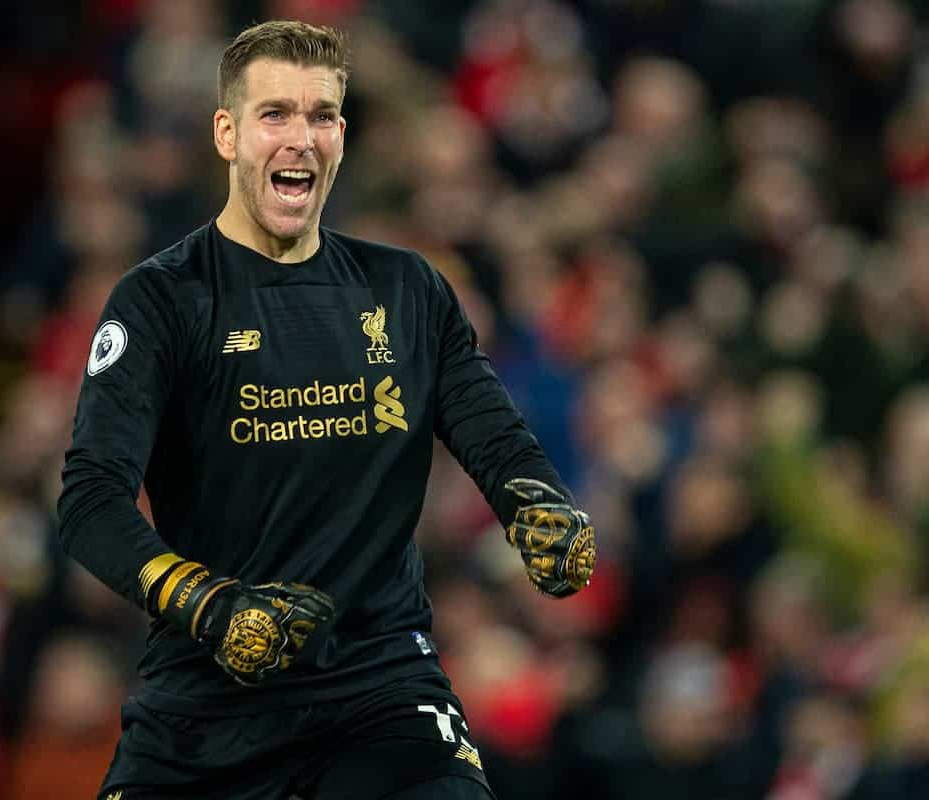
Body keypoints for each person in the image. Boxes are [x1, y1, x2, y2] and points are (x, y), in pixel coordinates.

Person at [57, 20, 596, 800]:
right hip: (206, 709)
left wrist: (540, 507)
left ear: (341, 134)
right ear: (226, 133)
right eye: (275, 113)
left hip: (380, 690)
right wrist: (206, 603)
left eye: (321, 116)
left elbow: (496, 438)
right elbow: (90, 500)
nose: (300, 138)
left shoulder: (408, 291)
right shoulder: (161, 300)